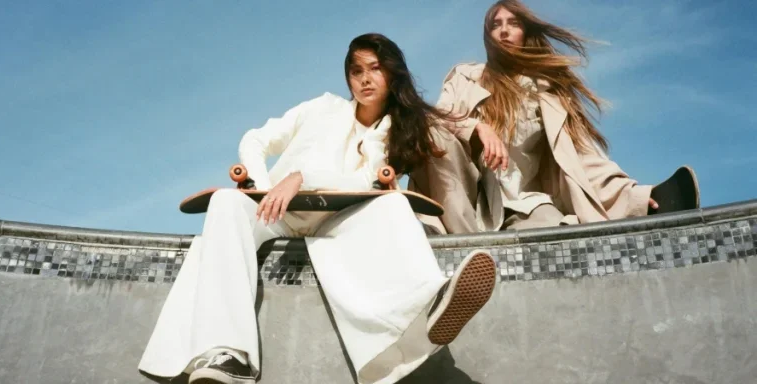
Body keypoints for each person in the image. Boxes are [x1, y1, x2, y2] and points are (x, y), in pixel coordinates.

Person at [137, 33, 497, 384]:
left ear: (392, 73)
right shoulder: (322, 107)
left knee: (393, 205)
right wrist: (262, 186)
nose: (365, 79)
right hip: (275, 214)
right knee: (226, 202)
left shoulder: (396, 131)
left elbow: (441, 124)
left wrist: (481, 128)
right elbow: (256, 139)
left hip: (337, 220)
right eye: (356, 71)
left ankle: (428, 306)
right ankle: (228, 354)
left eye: (374, 68)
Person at [409, 0, 699, 234]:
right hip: (470, 197)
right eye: (496, 25)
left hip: (523, 201)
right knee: (436, 135)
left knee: (559, 233)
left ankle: (652, 206)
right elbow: (435, 120)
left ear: (526, 32)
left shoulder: (546, 92)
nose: (504, 31)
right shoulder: (466, 78)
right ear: (488, 36)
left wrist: (634, 199)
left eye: (513, 23)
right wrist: (478, 128)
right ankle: (439, 233)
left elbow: (580, 157)